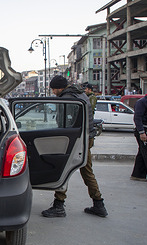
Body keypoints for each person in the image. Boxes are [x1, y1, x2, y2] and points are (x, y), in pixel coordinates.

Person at [41, 75, 108, 218]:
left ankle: (59, 205)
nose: (53, 92)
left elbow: (67, 122)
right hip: (85, 138)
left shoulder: (68, 98)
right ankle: (99, 204)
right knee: (87, 171)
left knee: (63, 168)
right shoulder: (80, 94)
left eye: (53, 89)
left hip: (76, 139)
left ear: (59, 88)